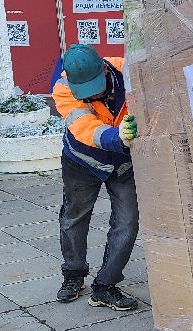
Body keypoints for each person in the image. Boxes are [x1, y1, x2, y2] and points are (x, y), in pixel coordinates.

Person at [51, 43, 142, 311]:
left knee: (128, 222)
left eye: (96, 89)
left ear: (104, 68)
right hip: (82, 161)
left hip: (123, 163)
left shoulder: (129, 70)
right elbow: (86, 128)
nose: (91, 97)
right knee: (73, 218)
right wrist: (118, 137)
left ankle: (105, 287)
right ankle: (73, 275)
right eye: (86, 93)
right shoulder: (65, 89)